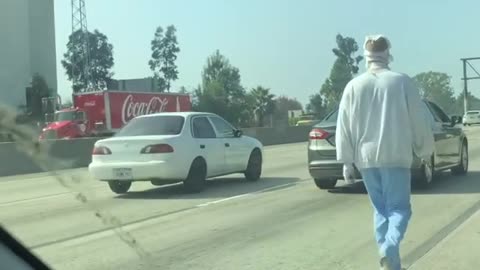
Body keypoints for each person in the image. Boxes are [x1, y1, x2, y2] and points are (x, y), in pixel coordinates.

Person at [335, 35, 434, 270]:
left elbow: (344, 125)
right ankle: (389, 248)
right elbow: (418, 121)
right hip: (396, 155)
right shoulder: (401, 82)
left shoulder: (353, 86)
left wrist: (346, 161)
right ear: (388, 53)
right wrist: (424, 150)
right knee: (399, 209)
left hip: (366, 158)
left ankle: (390, 265)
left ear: (366, 56)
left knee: (380, 210)